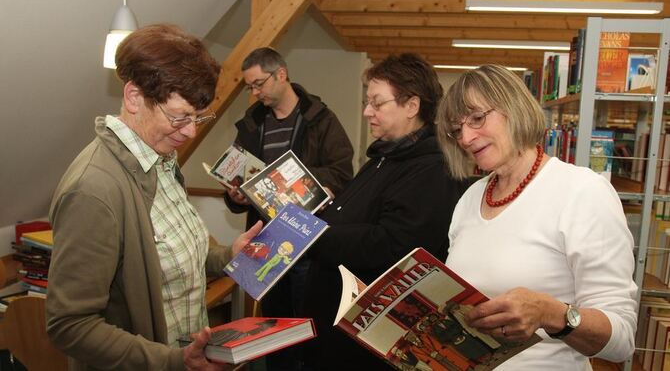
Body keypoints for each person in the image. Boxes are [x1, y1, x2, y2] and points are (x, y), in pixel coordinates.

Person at [46, 24, 262, 370]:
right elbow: (70, 326)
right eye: (179, 117)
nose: (190, 131)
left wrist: (226, 256)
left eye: (197, 118)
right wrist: (174, 361)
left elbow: (173, 257)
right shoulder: (93, 190)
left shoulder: (161, 160)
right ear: (134, 98)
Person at [436, 64, 638, 370]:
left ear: (514, 108)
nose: (465, 137)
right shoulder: (470, 198)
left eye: (477, 118)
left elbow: (621, 340)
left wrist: (551, 313)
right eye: (456, 129)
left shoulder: (582, 192)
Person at [303, 53, 466, 370]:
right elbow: (363, 217)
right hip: (338, 331)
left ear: (412, 106)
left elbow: (393, 245)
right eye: (368, 102)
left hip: (367, 346)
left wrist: (314, 236)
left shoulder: (432, 169)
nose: (366, 112)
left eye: (377, 103)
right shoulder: (384, 157)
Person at [223, 47, 354, 370]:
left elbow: (341, 172)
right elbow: (238, 178)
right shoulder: (251, 125)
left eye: (258, 84)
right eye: (249, 87)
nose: (254, 93)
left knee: (306, 324)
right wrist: (236, 196)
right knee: (272, 327)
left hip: (307, 242)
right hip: (265, 244)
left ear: (281, 74)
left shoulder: (321, 119)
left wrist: (300, 183)